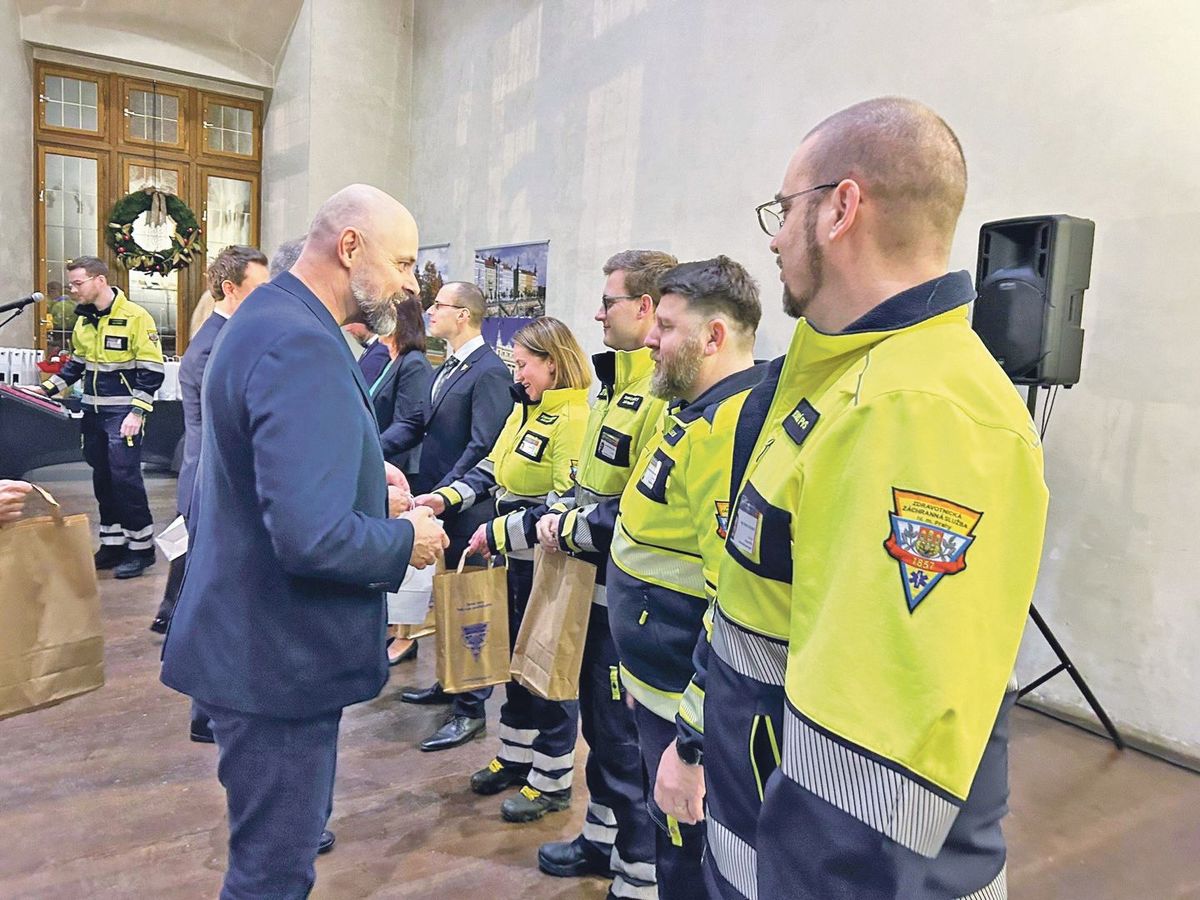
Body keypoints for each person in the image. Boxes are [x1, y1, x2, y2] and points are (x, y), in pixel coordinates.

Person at [687, 98, 1049, 900]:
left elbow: (867, 785)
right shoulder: (834, 380)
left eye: (783, 210)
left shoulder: (916, 412)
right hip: (756, 834)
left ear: (841, 208)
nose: (774, 237)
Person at [160, 184, 449, 900]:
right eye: (403, 263)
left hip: (254, 642)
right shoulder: (300, 343)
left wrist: (364, 476)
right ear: (350, 247)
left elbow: (268, 476)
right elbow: (311, 538)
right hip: (276, 658)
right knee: (272, 875)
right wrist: (404, 540)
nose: (411, 285)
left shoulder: (269, 316)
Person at [558, 255, 764, 898]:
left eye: (667, 326)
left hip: (685, 706)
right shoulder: (689, 415)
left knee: (685, 861)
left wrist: (692, 743)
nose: (650, 336)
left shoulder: (729, 431)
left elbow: (734, 602)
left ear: (714, 336)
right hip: (656, 684)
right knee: (666, 839)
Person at [531, 250, 675, 899]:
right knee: (600, 729)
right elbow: (589, 486)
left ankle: (639, 873)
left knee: (624, 740)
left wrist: (566, 527)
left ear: (644, 307)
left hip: (629, 597)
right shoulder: (615, 388)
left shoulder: (660, 397)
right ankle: (602, 837)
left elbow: (636, 509)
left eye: (608, 301)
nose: (597, 314)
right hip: (592, 588)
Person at [414, 316, 590, 822]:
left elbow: (564, 503)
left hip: (548, 567)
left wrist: (498, 532)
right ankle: (515, 756)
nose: (518, 374)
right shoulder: (524, 409)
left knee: (545, 670)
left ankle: (551, 780)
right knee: (514, 664)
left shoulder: (574, 418)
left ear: (553, 364)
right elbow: (491, 469)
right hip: (513, 561)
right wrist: (444, 498)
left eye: (525, 364)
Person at [391, 282, 513, 751]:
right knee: (445, 600)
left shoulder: (489, 372)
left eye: (438, 305)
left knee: (470, 605)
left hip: (467, 508)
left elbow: (483, 446)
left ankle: (471, 708)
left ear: (463, 315)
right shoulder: (447, 366)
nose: (429, 311)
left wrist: (444, 494)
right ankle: (450, 681)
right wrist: (368, 451)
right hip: (438, 502)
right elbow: (417, 425)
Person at [149, 246, 269, 646]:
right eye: (259, 288)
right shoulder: (212, 345)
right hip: (208, 471)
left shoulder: (227, 336)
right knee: (201, 567)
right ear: (230, 289)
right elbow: (225, 418)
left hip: (213, 469)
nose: (267, 297)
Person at [38, 256, 165, 579]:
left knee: (125, 480)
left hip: (123, 414)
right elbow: (76, 365)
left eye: (78, 283)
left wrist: (137, 412)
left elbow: (151, 371)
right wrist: (46, 389)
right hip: (93, 413)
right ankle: (113, 544)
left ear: (99, 280)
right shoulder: (84, 320)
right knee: (103, 480)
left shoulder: (135, 317)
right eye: (71, 284)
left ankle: (141, 549)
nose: (73, 290)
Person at [368, 296, 434, 665]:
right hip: (385, 465)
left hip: (401, 470)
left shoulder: (413, 363)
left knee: (405, 558)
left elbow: (410, 422)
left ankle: (405, 635)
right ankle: (392, 628)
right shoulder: (390, 359)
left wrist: (370, 452)